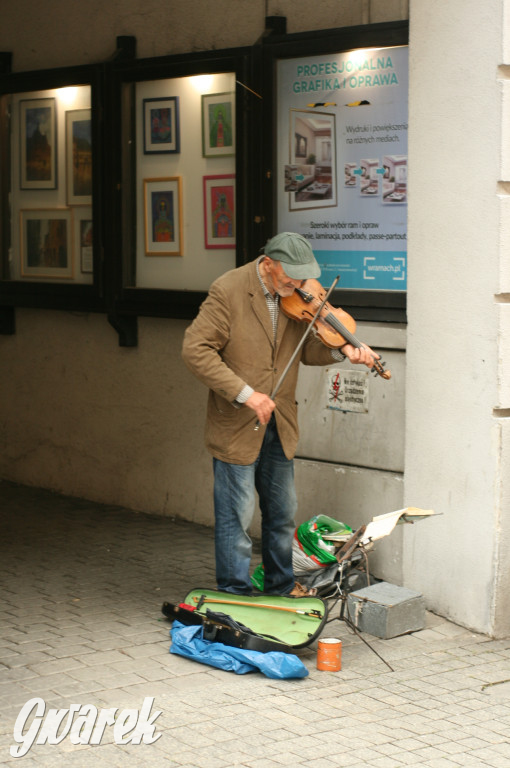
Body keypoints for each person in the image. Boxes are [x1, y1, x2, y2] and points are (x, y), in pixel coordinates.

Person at [181, 232, 378, 596]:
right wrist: (246, 395)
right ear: (268, 263)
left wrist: (341, 352)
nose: (300, 286)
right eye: (292, 277)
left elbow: (306, 352)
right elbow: (196, 351)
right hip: (238, 423)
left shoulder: (297, 295)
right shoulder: (228, 290)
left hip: (280, 420)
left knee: (282, 513)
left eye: (305, 278)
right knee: (235, 518)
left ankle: (280, 587)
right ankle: (235, 593)